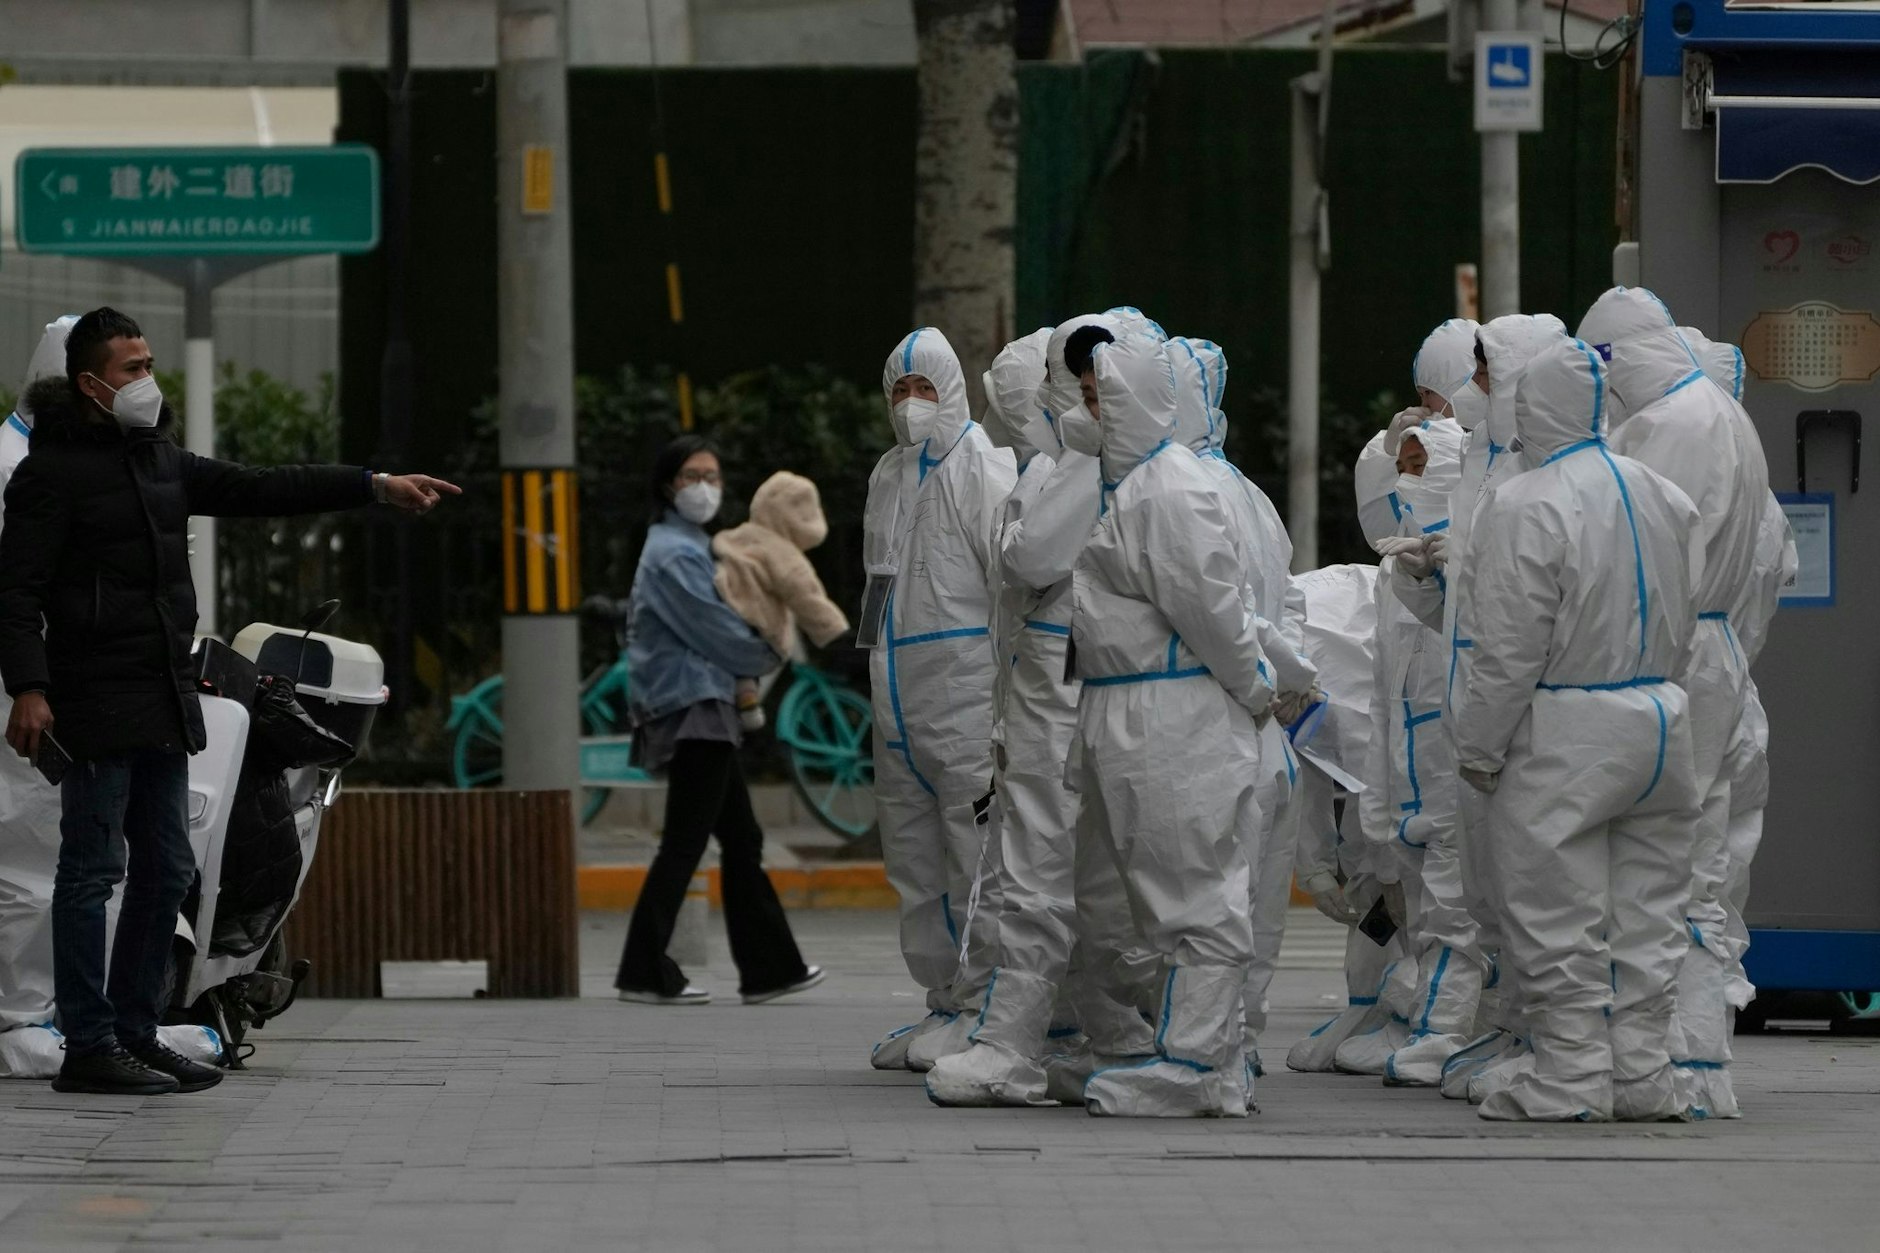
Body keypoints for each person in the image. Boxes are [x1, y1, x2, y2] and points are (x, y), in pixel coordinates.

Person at [0, 307, 459, 1096]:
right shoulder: (49, 473)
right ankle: (89, 1042)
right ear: (88, 383)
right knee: (91, 867)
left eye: (149, 363)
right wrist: (30, 688)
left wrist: (372, 485)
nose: (148, 380)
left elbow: (260, 488)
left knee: (169, 865)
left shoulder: (161, 461)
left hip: (161, 694)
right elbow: (16, 591)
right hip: (95, 697)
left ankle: (137, 1029)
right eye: (131, 368)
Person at [1451, 336, 1705, 1122]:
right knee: (1650, 911)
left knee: (1556, 911)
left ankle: (1570, 1074)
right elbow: (1688, 608)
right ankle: (1640, 1072)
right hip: (1662, 720)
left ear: (1530, 408)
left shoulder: (1526, 502)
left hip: (1567, 727)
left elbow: (1507, 646)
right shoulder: (1662, 492)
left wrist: (1479, 747)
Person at [1066, 327, 1276, 1117]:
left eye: (1106, 396)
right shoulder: (1134, 484)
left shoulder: (1167, 487)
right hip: (1136, 706)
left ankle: (1194, 1062)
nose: (1094, 409)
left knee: (1193, 889)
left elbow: (1214, 609)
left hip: (1172, 709)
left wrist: (1255, 688)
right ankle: (1211, 1062)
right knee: (1166, 889)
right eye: (1087, 395)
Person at [1576, 287, 1771, 1120]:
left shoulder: (1671, 425)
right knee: (1697, 853)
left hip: (1673, 652)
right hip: (1713, 651)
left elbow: (1639, 554)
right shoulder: (1718, 413)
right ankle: (1691, 1057)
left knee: (1664, 861)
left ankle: (1675, 1060)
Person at [613, 437, 826, 1008]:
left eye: (713, 475)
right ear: (668, 485)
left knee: (739, 837)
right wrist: (769, 652)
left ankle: (769, 969)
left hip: (703, 708)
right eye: (691, 475)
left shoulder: (692, 545)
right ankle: (645, 970)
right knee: (687, 843)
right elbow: (716, 630)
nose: (704, 487)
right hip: (692, 709)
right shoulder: (673, 554)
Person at [864, 328, 1016, 1071]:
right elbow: (880, 587)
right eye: (900, 389)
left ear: (954, 390)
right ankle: (942, 1000)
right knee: (917, 861)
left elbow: (1006, 587)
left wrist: (1003, 703)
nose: (912, 404)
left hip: (962, 695)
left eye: (925, 388)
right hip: (897, 698)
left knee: (974, 855)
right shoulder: (889, 474)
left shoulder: (982, 468)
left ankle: (983, 1002)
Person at [1348, 392, 1487, 1086]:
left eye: (1417, 465)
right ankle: (1416, 1015)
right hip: (1415, 768)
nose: (1406, 477)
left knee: (1454, 894)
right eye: (1400, 464)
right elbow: (1387, 689)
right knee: (1421, 892)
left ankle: (1447, 1024)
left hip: (1456, 756)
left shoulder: (1474, 548)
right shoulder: (1399, 565)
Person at [0, 316, 78, 1079]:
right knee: (28, 855)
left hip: (66, 691)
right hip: (27, 698)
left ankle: (57, 1010)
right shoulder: (15, 466)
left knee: (64, 858)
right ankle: (19, 1018)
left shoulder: (56, 460)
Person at [709, 469, 851, 730]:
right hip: (755, 626)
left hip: (720, 616)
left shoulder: (742, 534)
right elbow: (809, 600)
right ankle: (744, 706)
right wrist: (838, 634)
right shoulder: (786, 556)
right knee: (762, 653)